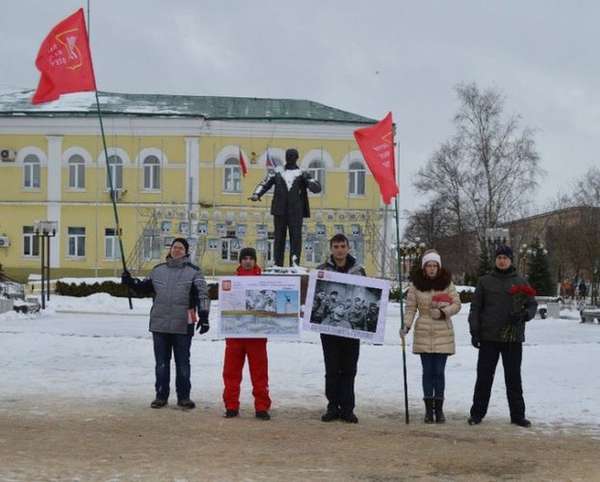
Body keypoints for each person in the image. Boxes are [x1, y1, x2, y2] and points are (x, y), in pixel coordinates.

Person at [121, 237, 210, 409]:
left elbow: (203, 294)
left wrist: (204, 316)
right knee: (161, 362)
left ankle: (184, 397)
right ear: (170, 250)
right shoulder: (158, 270)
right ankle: (160, 395)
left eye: (181, 248)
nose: (177, 250)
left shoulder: (194, 271)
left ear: (186, 252)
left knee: (183, 363)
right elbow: (143, 288)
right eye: (174, 247)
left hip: (183, 324)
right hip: (159, 324)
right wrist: (130, 282)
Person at [468, 245, 538, 427]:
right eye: (499, 257)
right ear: (495, 260)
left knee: (513, 377)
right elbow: (475, 307)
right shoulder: (485, 281)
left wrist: (524, 316)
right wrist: (475, 331)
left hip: (512, 338)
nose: (502, 260)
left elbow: (532, 305)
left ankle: (518, 415)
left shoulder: (521, 281)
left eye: (505, 257)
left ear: (510, 260)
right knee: (484, 377)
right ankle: (477, 413)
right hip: (489, 337)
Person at [400, 250, 461, 423]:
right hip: (424, 331)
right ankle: (428, 410)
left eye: (435, 265)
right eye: (429, 265)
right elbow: (411, 307)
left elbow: (457, 304)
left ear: (439, 267)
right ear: (424, 267)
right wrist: (406, 325)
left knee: (439, 372)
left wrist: (443, 312)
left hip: (443, 331)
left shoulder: (447, 284)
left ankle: (439, 410)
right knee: (427, 372)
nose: (432, 269)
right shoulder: (416, 285)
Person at [317, 233, 366, 424]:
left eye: (342, 246)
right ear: (331, 249)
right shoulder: (321, 270)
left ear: (348, 248)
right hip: (329, 330)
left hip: (351, 330)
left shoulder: (358, 270)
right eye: (336, 246)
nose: (339, 250)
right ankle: (332, 406)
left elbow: (362, 292)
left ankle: (347, 408)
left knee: (349, 369)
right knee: (332, 369)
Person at [222, 247, 272, 420]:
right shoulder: (231, 281)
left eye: (251, 258)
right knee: (231, 372)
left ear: (255, 261)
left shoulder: (264, 282)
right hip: (235, 335)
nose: (248, 261)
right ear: (240, 261)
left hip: (257, 335)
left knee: (259, 373)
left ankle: (261, 406)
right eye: (245, 258)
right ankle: (231, 405)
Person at [250, 148, 321, 266]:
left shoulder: (302, 173)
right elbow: (265, 183)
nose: (290, 158)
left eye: (292, 156)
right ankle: (278, 264)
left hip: (296, 212)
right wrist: (257, 194)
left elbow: (317, 188)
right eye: (288, 156)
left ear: (296, 158)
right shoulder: (277, 172)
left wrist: (308, 181)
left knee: (296, 239)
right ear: (286, 157)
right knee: (278, 238)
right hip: (279, 211)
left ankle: (294, 264)